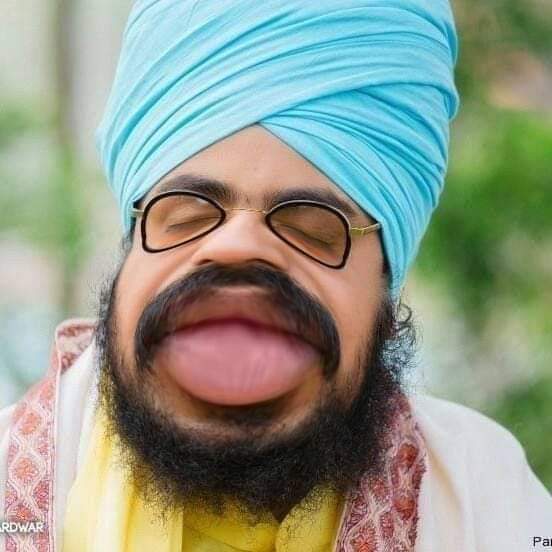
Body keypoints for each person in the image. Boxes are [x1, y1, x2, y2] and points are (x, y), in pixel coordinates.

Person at [1, 0, 551, 550]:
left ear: (386, 297)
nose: (238, 247)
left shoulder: (493, 509)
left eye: (312, 229)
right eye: (186, 215)